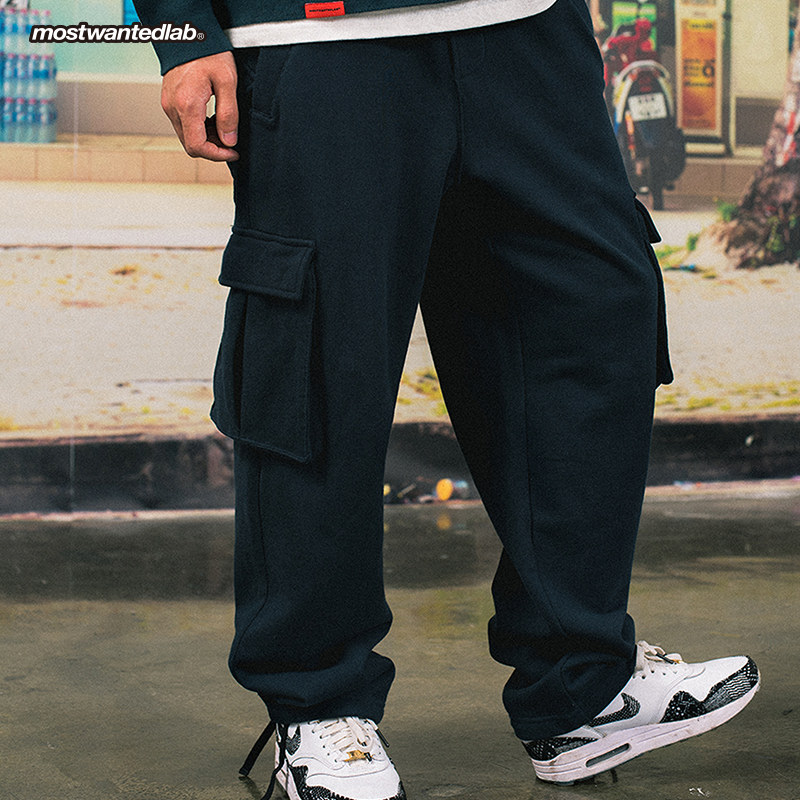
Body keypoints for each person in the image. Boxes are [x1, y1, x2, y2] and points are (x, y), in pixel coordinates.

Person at [132, 0, 760, 797]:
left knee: (590, 317)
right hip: (319, 37)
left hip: (525, 27)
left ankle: (582, 686)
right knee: (321, 360)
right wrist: (181, 30)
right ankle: (319, 705)